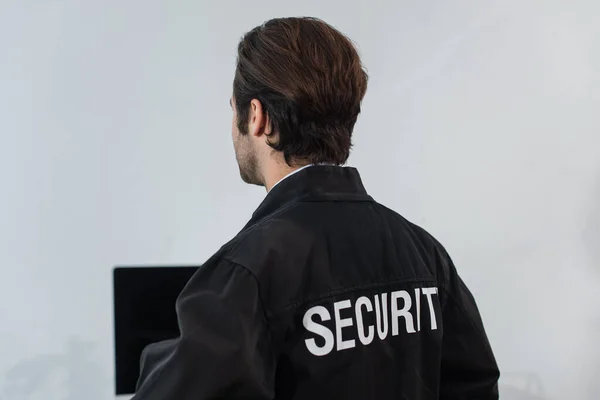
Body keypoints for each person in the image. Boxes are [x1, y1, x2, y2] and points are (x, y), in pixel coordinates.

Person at [132, 16, 500, 399]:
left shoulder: (246, 274)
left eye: (233, 109)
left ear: (257, 117)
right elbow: (475, 386)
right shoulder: (424, 254)